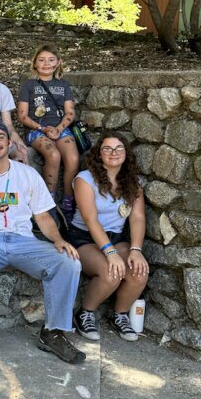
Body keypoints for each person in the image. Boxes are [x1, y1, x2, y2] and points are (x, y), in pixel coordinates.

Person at [0, 120, 85, 364]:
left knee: (69, 262)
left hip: (23, 241)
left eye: (0, 137)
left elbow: (43, 216)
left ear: (9, 142)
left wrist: (58, 240)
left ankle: (53, 333)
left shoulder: (27, 174)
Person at [69, 132, 149, 342]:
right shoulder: (85, 179)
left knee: (139, 271)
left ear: (126, 153)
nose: (114, 153)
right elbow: (90, 220)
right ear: (99, 154)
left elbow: (138, 218)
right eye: (108, 149)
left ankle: (120, 315)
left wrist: (136, 250)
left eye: (119, 148)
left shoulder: (133, 182)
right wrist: (111, 253)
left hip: (116, 237)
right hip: (85, 237)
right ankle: (85, 313)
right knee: (111, 272)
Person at [17, 45, 80, 224]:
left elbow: (70, 112)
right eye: (42, 60)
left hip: (60, 129)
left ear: (58, 63)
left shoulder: (63, 85)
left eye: (51, 60)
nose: (46, 63)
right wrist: (42, 129)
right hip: (36, 130)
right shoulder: (29, 85)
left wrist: (59, 129)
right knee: (53, 154)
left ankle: (68, 202)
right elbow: (22, 116)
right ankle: (49, 201)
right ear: (35, 63)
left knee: (73, 158)